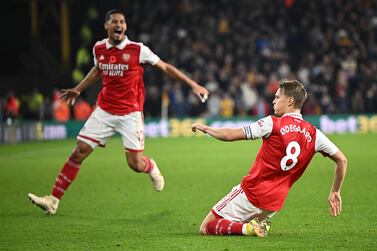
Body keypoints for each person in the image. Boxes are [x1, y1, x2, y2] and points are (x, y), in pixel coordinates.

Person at [28, 9, 209, 215]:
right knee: (79, 151)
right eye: (115, 22)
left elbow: (165, 67)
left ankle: (150, 166)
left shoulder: (137, 50)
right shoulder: (98, 48)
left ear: (125, 27)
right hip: (104, 110)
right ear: (107, 26)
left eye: (122, 22)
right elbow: (98, 70)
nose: (119, 25)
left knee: (135, 164)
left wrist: (193, 84)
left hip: (130, 113)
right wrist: (79, 89)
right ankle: (53, 200)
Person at [191, 80, 347, 237]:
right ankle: (251, 226)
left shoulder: (272, 123)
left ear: (290, 101)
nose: (274, 101)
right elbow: (342, 160)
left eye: (277, 97)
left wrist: (206, 128)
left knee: (206, 227)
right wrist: (335, 191)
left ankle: (248, 229)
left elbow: (230, 135)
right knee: (238, 224)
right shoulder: (315, 134)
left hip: (251, 193)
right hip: (274, 204)